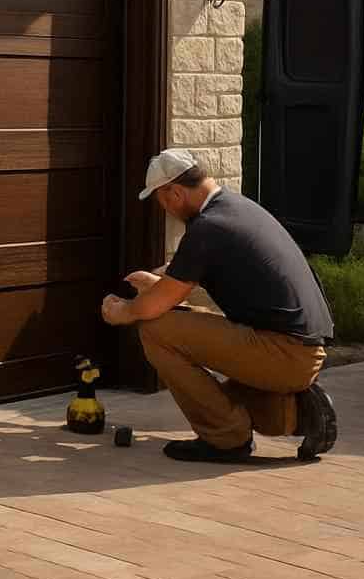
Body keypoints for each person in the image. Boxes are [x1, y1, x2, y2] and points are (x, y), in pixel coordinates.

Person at [100, 148, 338, 463]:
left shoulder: (208, 228)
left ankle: (226, 440)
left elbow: (151, 308)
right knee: (222, 395)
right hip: (298, 348)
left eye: (160, 200)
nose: (164, 208)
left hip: (285, 352)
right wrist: (159, 286)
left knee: (156, 328)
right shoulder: (235, 209)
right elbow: (187, 285)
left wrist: (123, 312)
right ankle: (296, 413)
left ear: (173, 193)